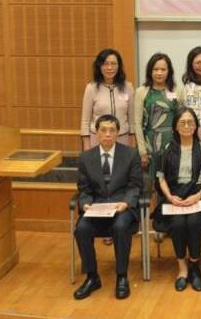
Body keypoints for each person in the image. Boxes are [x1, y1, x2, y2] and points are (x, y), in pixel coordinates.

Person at [72, 115, 143, 300]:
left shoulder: (130, 154)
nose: (108, 134)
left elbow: (135, 185)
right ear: (96, 132)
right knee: (81, 228)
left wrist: (126, 202)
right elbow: (84, 189)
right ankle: (92, 277)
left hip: (122, 206)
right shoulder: (86, 157)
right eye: (103, 130)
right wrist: (85, 203)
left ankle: (122, 276)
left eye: (112, 130)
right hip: (97, 207)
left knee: (120, 226)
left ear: (118, 133)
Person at [152, 108, 201, 292]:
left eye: (190, 122)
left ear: (196, 126)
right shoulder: (167, 148)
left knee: (194, 222)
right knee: (178, 224)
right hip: (175, 195)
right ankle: (182, 269)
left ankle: (195, 266)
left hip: (198, 193)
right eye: (182, 122)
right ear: (175, 126)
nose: (187, 126)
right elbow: (161, 178)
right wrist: (169, 197)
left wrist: (198, 195)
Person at [133, 53, 181, 181]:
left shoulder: (177, 91)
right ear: (150, 71)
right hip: (150, 145)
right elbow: (137, 123)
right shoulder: (141, 91)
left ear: (169, 71)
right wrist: (142, 151)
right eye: (155, 69)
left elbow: (182, 119)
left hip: (172, 143)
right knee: (152, 183)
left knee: (172, 180)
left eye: (163, 69)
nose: (159, 73)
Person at [80, 48, 134, 150]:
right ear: (99, 66)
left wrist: (132, 145)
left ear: (119, 66)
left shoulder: (128, 87)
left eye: (113, 64)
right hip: (98, 139)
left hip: (122, 138)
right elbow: (85, 121)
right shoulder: (91, 88)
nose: (109, 67)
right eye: (105, 64)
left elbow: (132, 120)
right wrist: (87, 148)